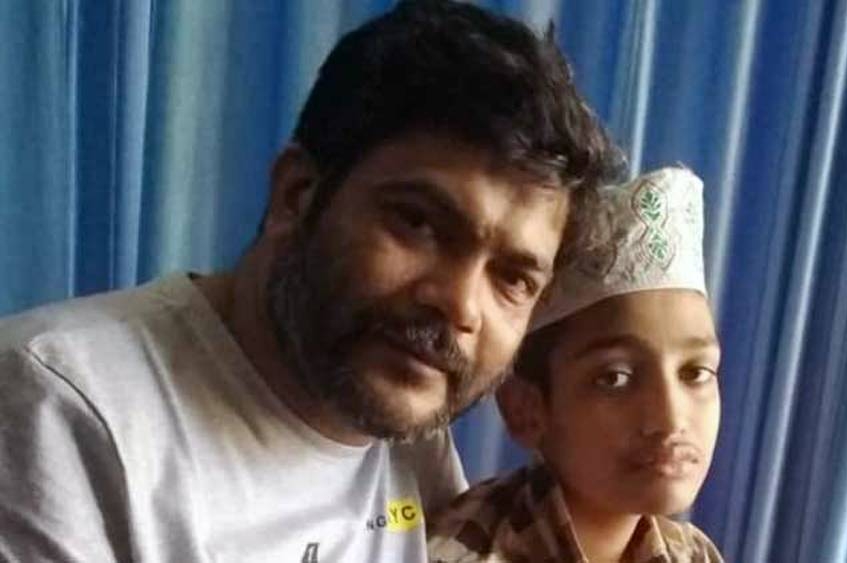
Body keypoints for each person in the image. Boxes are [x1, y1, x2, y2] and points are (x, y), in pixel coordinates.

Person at [0, 1, 623, 561]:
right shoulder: (60, 408)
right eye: (418, 222)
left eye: (512, 278)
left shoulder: (410, 430)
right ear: (296, 196)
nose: (459, 304)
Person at [428, 167, 725, 562]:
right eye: (615, 378)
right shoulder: (456, 551)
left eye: (696, 373)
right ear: (526, 409)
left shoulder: (691, 553)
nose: (670, 417)